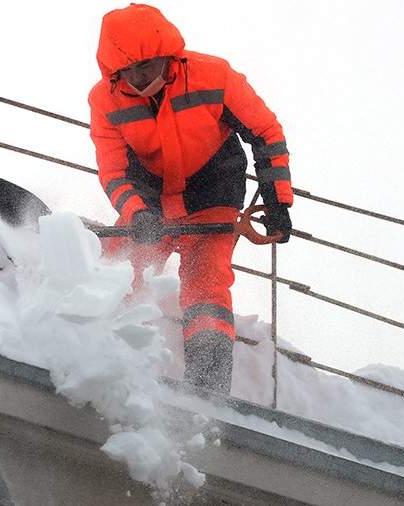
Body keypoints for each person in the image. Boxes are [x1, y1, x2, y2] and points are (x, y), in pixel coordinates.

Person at [88, 4, 293, 394]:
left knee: (207, 282)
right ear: (116, 72)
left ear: (169, 56)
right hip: (149, 199)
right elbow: (113, 172)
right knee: (117, 267)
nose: (141, 76)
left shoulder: (214, 76)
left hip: (213, 192)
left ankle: (208, 388)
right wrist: (136, 214)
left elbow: (265, 132)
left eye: (149, 66)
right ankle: (94, 355)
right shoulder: (104, 101)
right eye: (131, 70)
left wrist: (277, 200)